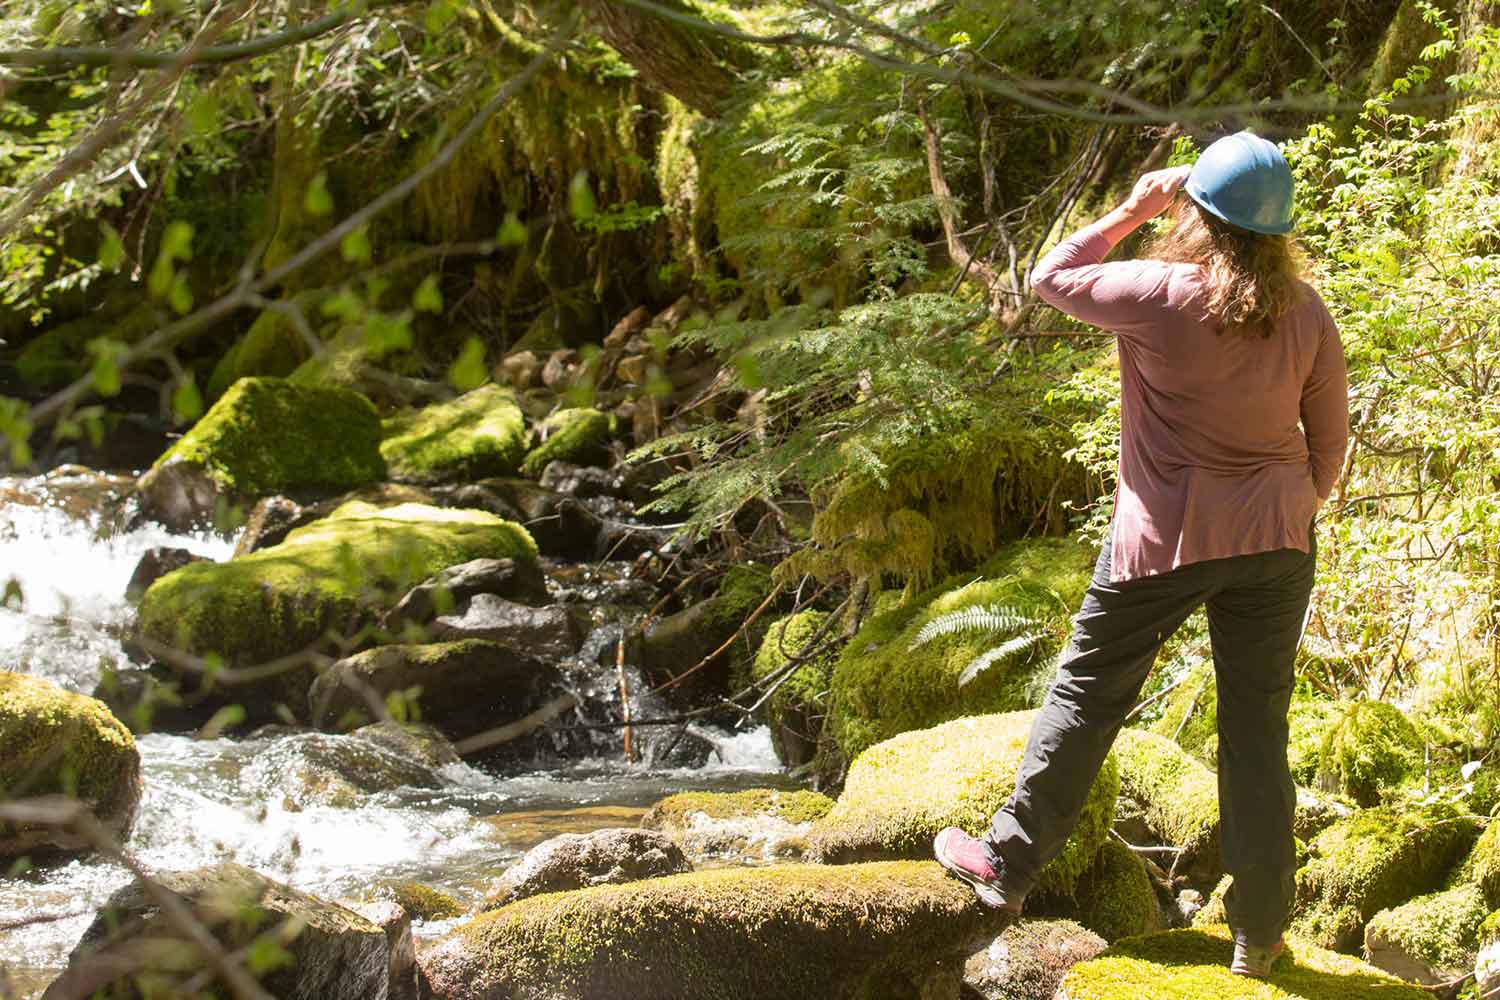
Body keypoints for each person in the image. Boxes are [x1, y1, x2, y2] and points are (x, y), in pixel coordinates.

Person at [932, 131, 1349, 979]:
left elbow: (1050, 277)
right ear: (1278, 228)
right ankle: (1260, 933)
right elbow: (1330, 442)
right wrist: (1297, 504)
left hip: (1165, 538)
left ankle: (1005, 868)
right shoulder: (1304, 308)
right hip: (1277, 540)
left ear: (1196, 212)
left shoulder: (1160, 290)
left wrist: (1131, 209)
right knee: (1256, 729)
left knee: (1088, 694)